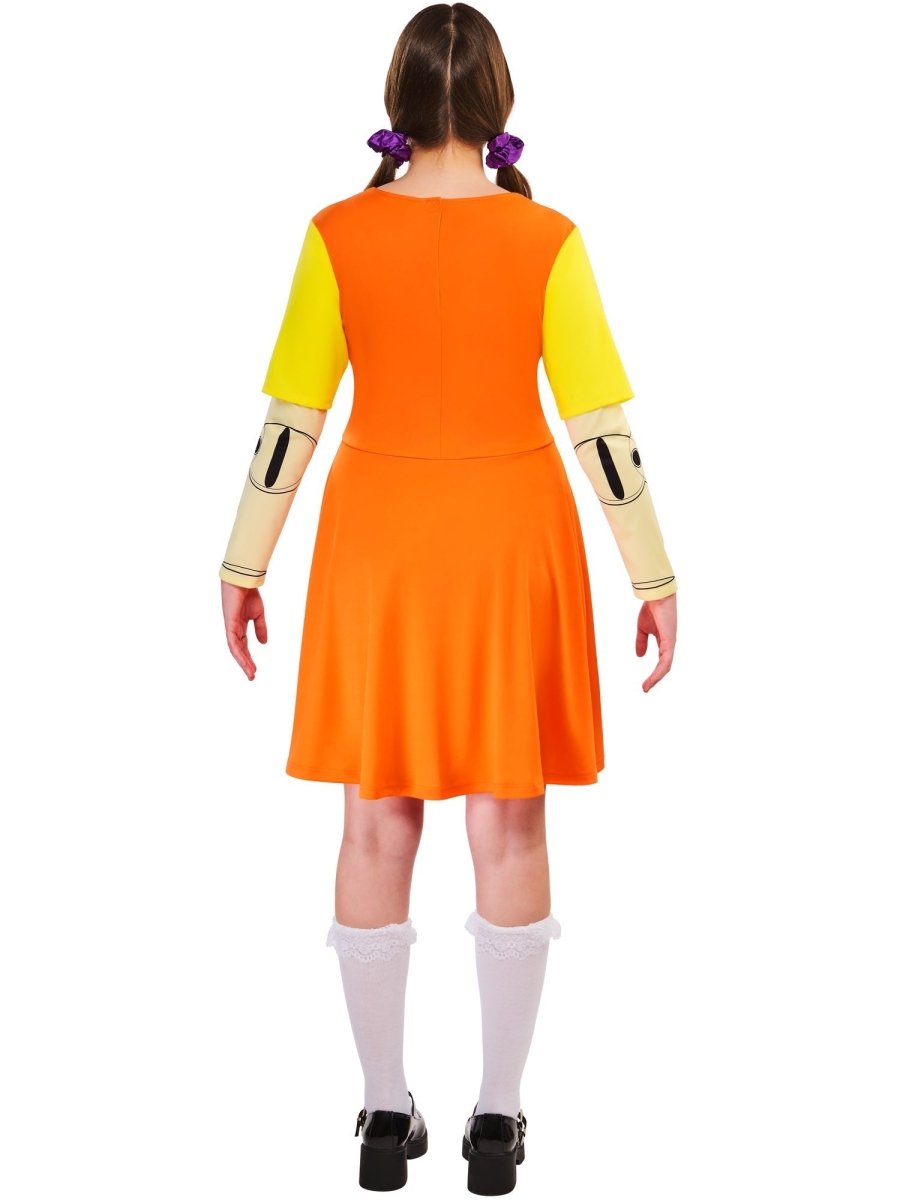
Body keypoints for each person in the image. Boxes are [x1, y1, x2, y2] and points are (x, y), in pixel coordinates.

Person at [218, 3, 677, 1192]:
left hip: (378, 545)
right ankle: (498, 1118)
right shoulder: (548, 239)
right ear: (497, 104)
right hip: (510, 540)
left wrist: (243, 562)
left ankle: (382, 1112)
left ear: (399, 99)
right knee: (510, 821)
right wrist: (653, 574)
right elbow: (601, 429)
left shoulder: (335, 234)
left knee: (375, 820)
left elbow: (290, 424)